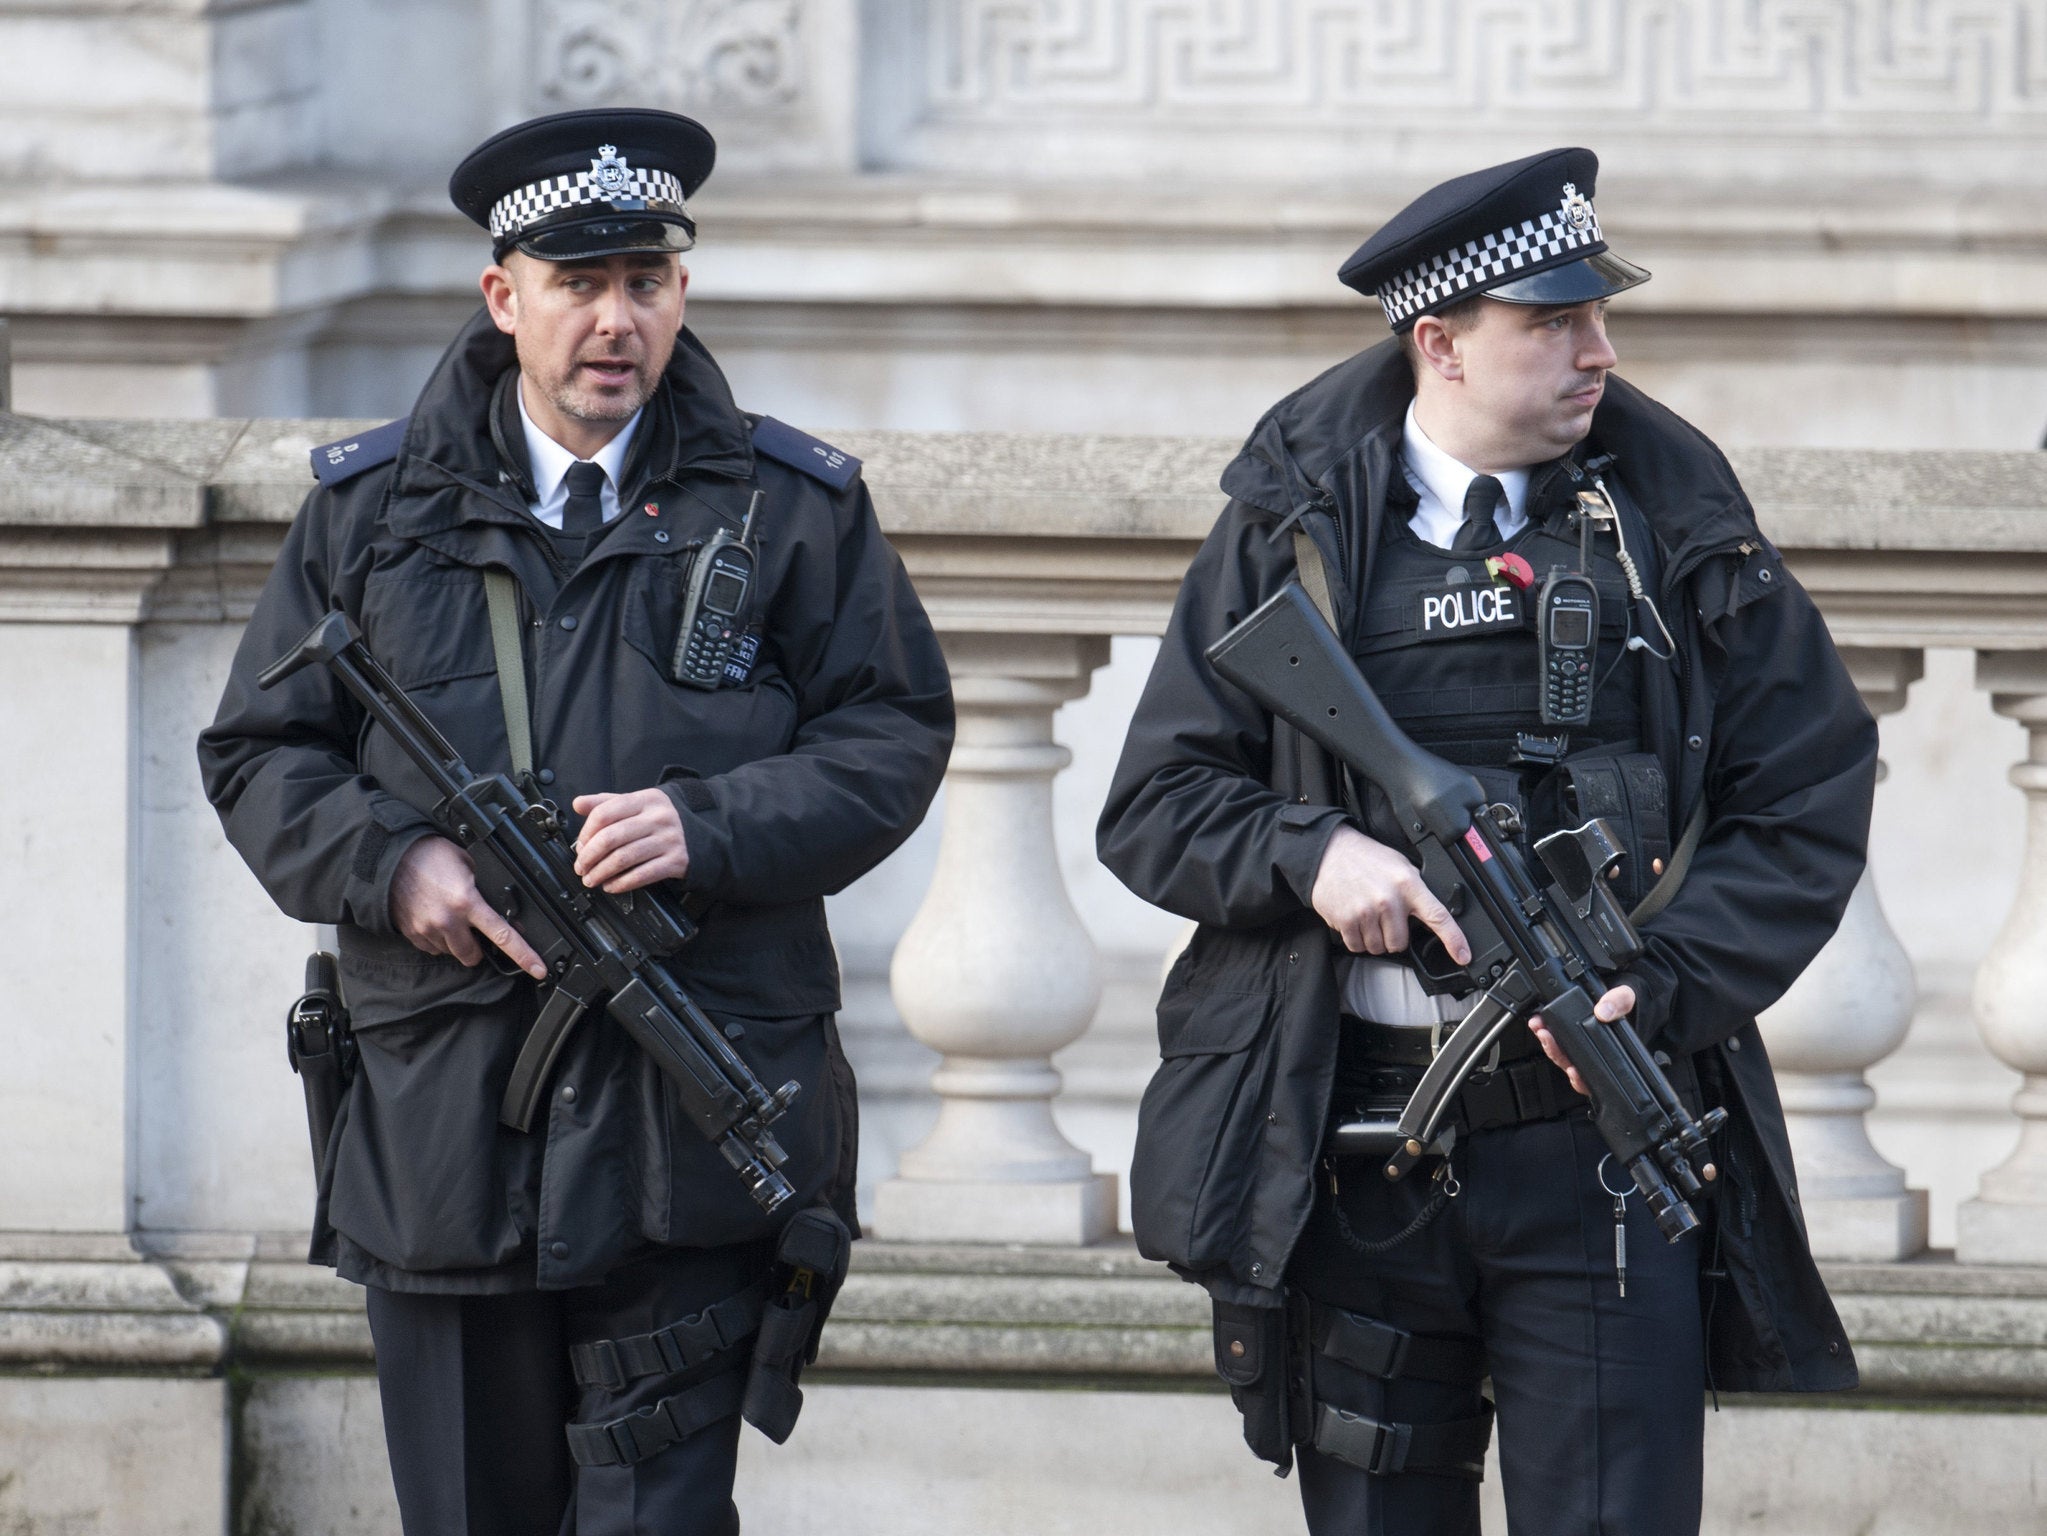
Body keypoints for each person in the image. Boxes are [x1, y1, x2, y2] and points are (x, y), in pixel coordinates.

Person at [1097, 147, 1875, 1535]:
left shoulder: (1676, 528)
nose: (1601, 352)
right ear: (1439, 343)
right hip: (1357, 1148)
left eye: (1596, 318)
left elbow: (1807, 792)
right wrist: (1312, 856)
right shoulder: (1292, 532)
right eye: (1555, 323)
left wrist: (1665, 979)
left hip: (1593, 1155)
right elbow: (1155, 802)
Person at [198, 108, 953, 1536]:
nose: (618, 320)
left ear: (682, 289)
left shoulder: (790, 512)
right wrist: (395, 862)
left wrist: (708, 823)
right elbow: (257, 751)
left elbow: (893, 731)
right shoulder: (372, 518)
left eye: (647, 281)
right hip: (448, 1127)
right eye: (579, 281)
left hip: (696, 1117)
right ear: (505, 297)